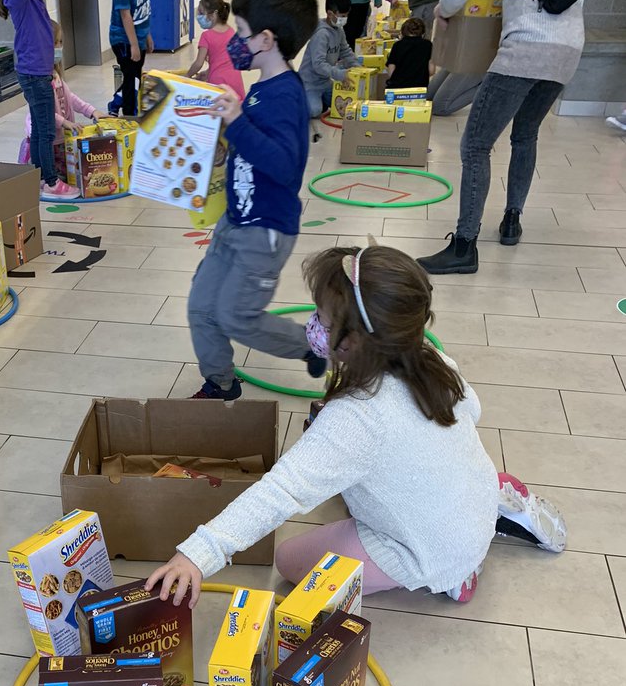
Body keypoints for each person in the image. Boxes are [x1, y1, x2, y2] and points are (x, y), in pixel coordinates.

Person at [146, 243, 567, 609]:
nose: (313, 325)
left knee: (290, 561)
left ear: (353, 343)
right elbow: (471, 411)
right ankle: (490, 496)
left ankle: (457, 576)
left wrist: (199, 553)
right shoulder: (431, 360)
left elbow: (281, 491)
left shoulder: (358, 417)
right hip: (467, 496)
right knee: (382, 479)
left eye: (324, 322)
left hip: (427, 548)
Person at [418, 0, 585, 274]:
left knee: (476, 145)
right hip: (569, 46)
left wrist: (442, 11)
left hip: (528, 45)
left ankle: (464, 246)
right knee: (525, 134)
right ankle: (512, 220)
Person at [185, 0, 323, 401]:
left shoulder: (284, 95)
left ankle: (315, 347)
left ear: (266, 39)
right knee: (202, 308)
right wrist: (230, 150)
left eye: (241, 33)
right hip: (235, 219)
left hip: (265, 232)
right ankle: (221, 383)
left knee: (237, 317)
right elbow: (256, 149)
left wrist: (237, 123)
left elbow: (284, 166)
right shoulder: (262, 88)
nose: (234, 42)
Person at [0, 0, 83, 200]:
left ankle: (38, 175)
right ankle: (49, 181)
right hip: (33, 75)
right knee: (45, 130)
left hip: (39, 72)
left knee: (41, 128)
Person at [17, 21, 97, 167]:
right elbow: (42, 112)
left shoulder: (55, 74)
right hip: (46, 142)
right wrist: (64, 122)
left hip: (59, 139)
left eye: (60, 42)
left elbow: (69, 98)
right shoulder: (38, 80)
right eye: (54, 43)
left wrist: (91, 111)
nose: (58, 47)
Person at [426, 0, 483, 115]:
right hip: (461, 50)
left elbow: (448, 5)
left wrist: (441, 10)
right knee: (429, 97)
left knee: (440, 106)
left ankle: (488, 86)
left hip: (478, 55)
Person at [299, 0, 359, 118]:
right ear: (330, 14)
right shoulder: (321, 34)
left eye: (346, 15)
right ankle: (298, 100)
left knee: (345, 101)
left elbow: (345, 50)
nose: (344, 19)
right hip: (310, 83)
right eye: (342, 16)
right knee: (314, 110)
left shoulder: (339, 30)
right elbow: (319, 65)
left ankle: (320, 101)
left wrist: (357, 67)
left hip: (325, 82)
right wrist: (340, 74)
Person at [185, 0, 245, 100]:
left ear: (213, 15)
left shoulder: (206, 36)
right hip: (236, 81)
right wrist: (208, 72)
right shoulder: (231, 32)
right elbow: (226, 60)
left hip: (218, 82)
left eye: (201, 13)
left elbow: (199, 63)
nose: (198, 16)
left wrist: (187, 76)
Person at [386, 16, 435, 88]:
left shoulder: (397, 45)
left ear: (402, 32)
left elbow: (391, 72)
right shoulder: (428, 45)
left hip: (397, 87)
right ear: (423, 33)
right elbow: (431, 70)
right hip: (420, 87)